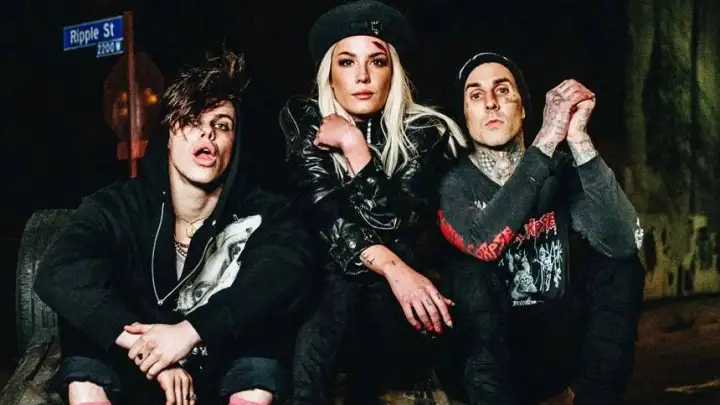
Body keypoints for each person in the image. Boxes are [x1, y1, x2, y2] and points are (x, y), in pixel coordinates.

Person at [34, 49, 317, 405]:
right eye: (192, 121)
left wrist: (190, 332)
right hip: (133, 369)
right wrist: (148, 348)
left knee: (264, 346)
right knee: (84, 352)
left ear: (234, 144)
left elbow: (287, 270)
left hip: (223, 368)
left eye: (222, 125)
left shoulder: (264, 211)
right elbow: (58, 272)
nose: (207, 133)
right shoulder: (119, 206)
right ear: (168, 135)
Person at [279, 1, 467, 403]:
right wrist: (395, 270)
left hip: (393, 314)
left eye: (377, 62)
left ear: (392, 73)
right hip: (323, 303)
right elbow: (326, 215)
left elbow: (395, 221)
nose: (362, 76)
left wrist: (354, 146)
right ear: (330, 76)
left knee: (361, 274)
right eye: (347, 62)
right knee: (338, 271)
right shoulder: (305, 119)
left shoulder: (424, 132)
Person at [435, 52, 646, 405]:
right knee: (471, 276)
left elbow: (623, 243)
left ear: (522, 108)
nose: (490, 103)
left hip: (551, 346)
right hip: (485, 358)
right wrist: (547, 138)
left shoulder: (560, 170)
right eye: (476, 95)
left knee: (619, 269)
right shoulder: (454, 183)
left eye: (503, 90)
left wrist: (578, 139)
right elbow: (483, 244)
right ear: (465, 116)